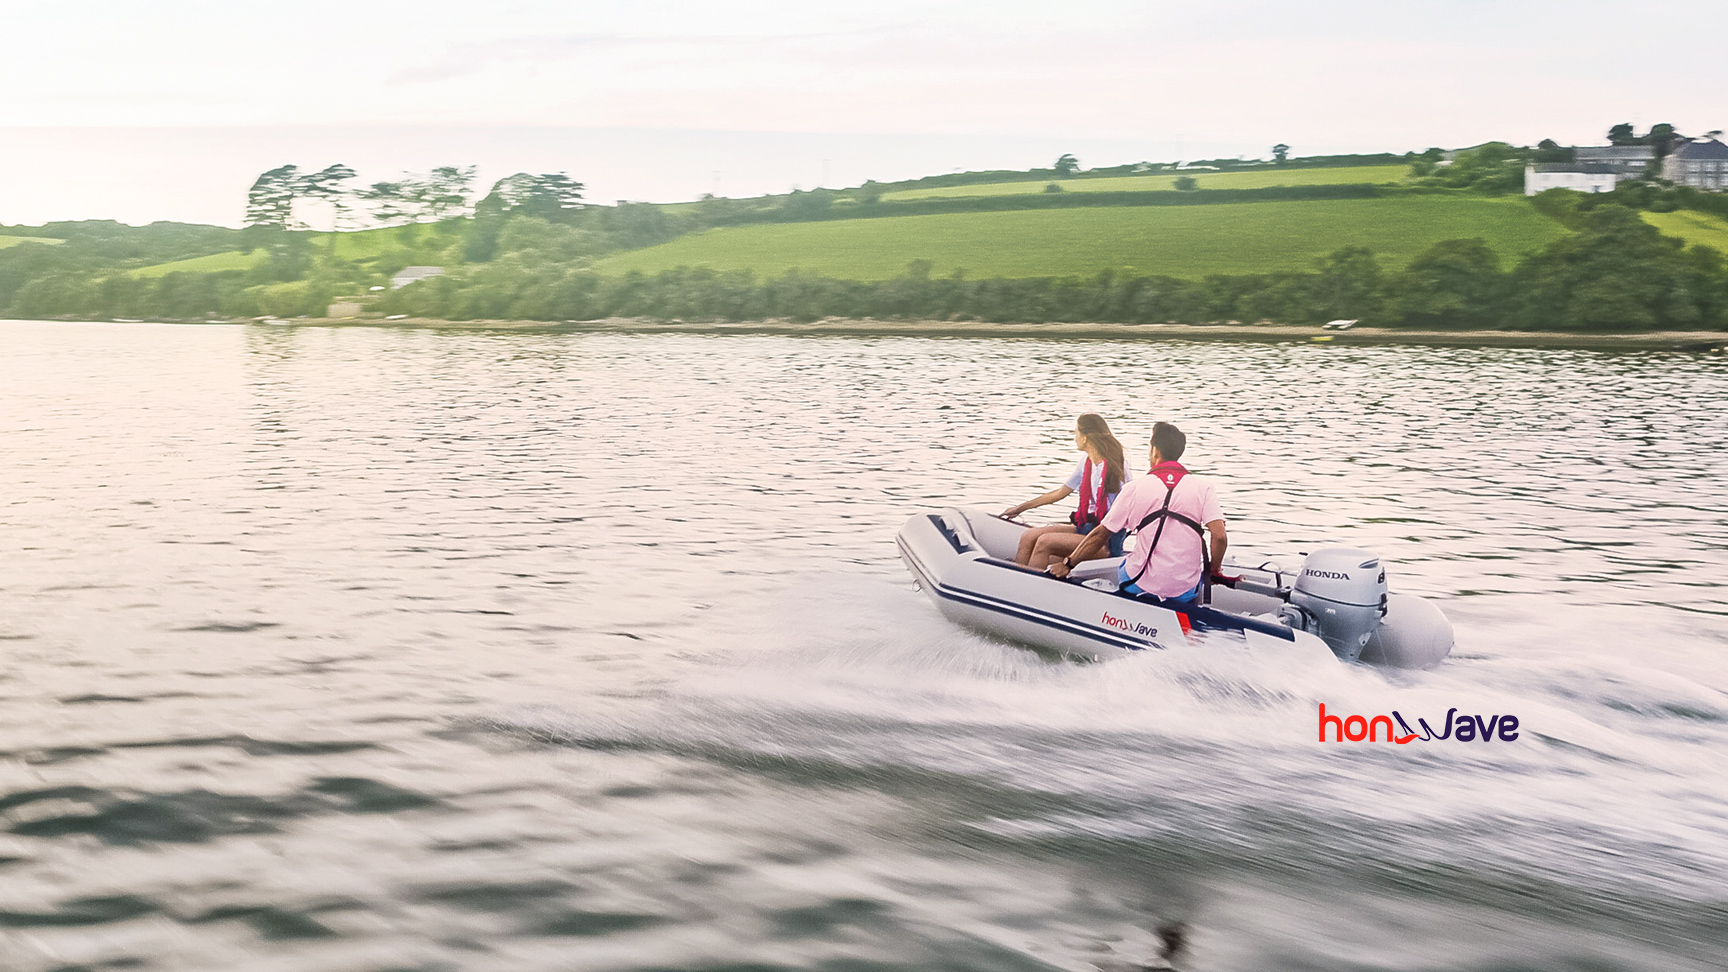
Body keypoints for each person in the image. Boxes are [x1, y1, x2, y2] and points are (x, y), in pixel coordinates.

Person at [1047, 421, 1226, 607]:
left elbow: (1101, 534)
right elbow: (1219, 536)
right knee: (1192, 582)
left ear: (1155, 451)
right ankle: (1192, 616)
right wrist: (1214, 570)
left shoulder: (1134, 488)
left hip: (1139, 584)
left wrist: (1068, 564)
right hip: (1184, 590)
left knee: (1126, 565)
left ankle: (1124, 613)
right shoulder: (1204, 488)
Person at [1001, 413, 1129, 569]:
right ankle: (1017, 579)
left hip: (1103, 541)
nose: (1075, 437)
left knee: (1044, 542)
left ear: (1085, 438)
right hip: (1087, 529)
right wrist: (1020, 508)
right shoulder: (1086, 461)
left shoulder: (1116, 467)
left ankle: (1030, 587)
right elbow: (1059, 493)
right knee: (1028, 536)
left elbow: (1129, 505)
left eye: (1076, 433)